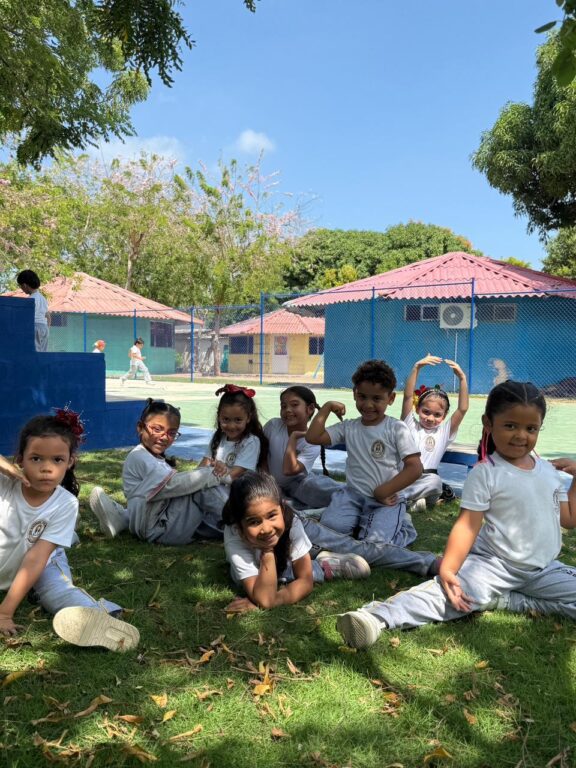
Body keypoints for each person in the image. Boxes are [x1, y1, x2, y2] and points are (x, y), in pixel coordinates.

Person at [336, 381, 576, 649]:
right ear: (488, 423)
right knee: (447, 596)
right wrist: (449, 569)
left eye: (531, 428)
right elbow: (467, 526)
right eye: (510, 426)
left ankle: (508, 600)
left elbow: (567, 519)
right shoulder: (486, 473)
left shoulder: (548, 471)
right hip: (493, 566)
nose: (521, 435)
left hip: (543, 570)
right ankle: (376, 617)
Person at [0, 410, 139, 651]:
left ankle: (101, 618)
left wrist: (4, 612)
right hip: (10, 560)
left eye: (57, 460)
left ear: (70, 461)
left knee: (56, 591)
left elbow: (36, 558)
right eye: (36, 459)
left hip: (43, 561)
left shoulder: (65, 503)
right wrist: (6, 469)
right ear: (20, 459)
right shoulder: (5, 485)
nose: (46, 468)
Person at [306, 359, 423, 546]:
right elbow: (313, 437)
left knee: (375, 544)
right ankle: (358, 523)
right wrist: (327, 407)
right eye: (362, 397)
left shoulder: (396, 428)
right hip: (351, 496)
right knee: (328, 531)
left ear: (391, 399)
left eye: (376, 398)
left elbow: (415, 468)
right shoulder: (349, 427)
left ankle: (402, 527)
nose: (368, 405)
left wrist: (383, 490)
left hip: (385, 500)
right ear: (354, 394)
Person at [222, 472, 370, 613]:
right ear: (239, 526)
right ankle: (322, 565)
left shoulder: (291, 520)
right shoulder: (234, 535)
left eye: (272, 515)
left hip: (284, 562)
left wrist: (272, 600)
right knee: (281, 575)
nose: (266, 529)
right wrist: (267, 552)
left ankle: (324, 566)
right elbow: (264, 597)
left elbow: (305, 581)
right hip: (260, 569)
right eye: (254, 521)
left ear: (282, 508)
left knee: (293, 571)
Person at [90, 399, 221, 545]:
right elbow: (173, 485)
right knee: (202, 487)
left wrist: (207, 473)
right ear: (140, 427)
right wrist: (213, 474)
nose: (164, 437)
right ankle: (241, 519)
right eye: (157, 429)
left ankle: (234, 524)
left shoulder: (154, 458)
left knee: (205, 491)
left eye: (172, 433)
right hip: (158, 529)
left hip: (161, 523)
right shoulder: (139, 456)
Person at [195, 384, 269, 535]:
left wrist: (216, 472)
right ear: (219, 417)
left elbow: (232, 477)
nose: (231, 425)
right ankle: (228, 527)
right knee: (196, 492)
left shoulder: (251, 441)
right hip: (218, 490)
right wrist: (196, 478)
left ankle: (242, 526)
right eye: (226, 419)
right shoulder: (218, 438)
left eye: (238, 420)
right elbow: (202, 467)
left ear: (248, 418)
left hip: (239, 495)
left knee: (206, 494)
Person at [400, 354, 469, 511]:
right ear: (417, 409)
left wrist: (462, 379)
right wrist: (416, 368)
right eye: (426, 412)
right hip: (405, 477)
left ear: (444, 416)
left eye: (437, 415)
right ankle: (411, 501)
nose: (430, 418)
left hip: (427, 481)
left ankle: (404, 500)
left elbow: (462, 409)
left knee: (435, 482)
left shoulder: (444, 432)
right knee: (391, 478)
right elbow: (408, 396)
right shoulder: (410, 425)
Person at [264, 386, 341, 509]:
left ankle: (358, 499)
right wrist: (268, 481)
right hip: (267, 481)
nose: (288, 410)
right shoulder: (273, 426)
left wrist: (293, 437)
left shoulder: (312, 441)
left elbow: (289, 470)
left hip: (297, 484)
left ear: (310, 409)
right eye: (283, 406)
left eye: (294, 405)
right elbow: (261, 455)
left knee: (325, 490)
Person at [17, 269, 49, 352]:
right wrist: (47, 328)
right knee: (42, 353)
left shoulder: (31, 300)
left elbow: (26, 317)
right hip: (44, 328)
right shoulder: (43, 298)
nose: (21, 289)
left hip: (35, 327)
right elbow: (48, 316)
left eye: (21, 286)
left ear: (24, 285)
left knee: (34, 353)